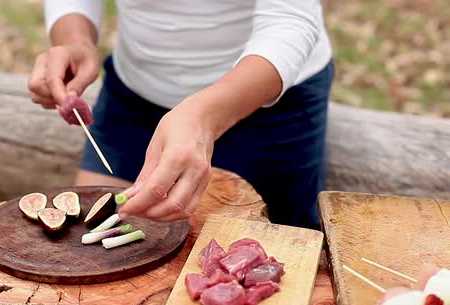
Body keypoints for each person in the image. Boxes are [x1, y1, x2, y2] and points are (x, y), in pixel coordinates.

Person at [29, 0, 334, 229]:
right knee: (91, 247)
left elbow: (291, 21)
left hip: (266, 100)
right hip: (136, 94)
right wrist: (73, 40)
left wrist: (204, 116)